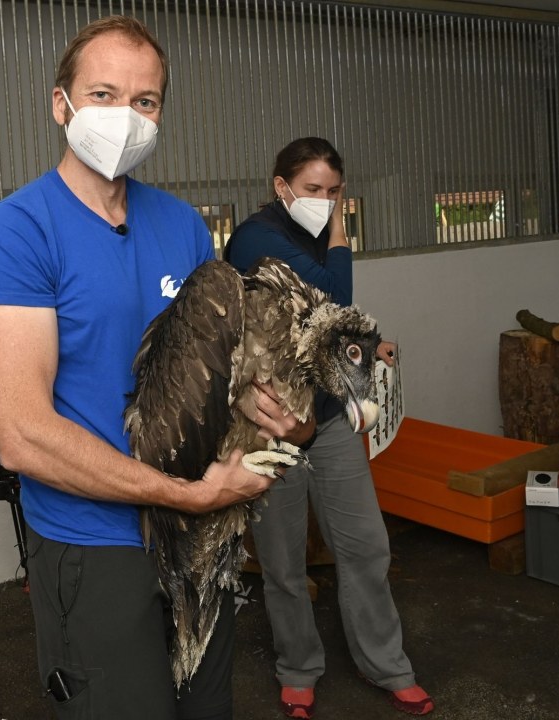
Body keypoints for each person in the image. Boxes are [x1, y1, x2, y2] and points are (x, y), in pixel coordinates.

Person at [0, 16, 309, 720]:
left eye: (144, 100)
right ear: (60, 105)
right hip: (99, 548)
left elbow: (213, 368)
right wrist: (186, 496)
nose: (125, 116)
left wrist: (263, 409)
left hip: (198, 542)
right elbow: (22, 436)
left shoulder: (181, 225)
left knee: (206, 709)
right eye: (103, 93)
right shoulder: (18, 231)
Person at [223, 137, 433, 718]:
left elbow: (319, 326)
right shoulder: (256, 239)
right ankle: (298, 669)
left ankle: (387, 664)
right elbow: (334, 295)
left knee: (366, 546)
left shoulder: (312, 238)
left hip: (330, 417)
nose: (325, 201)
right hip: (273, 424)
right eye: (313, 190)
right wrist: (340, 226)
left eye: (335, 191)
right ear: (280, 186)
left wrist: (368, 342)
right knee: (283, 562)